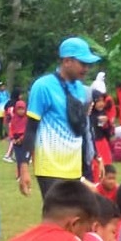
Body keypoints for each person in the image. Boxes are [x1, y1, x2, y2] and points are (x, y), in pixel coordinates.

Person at [21, 37, 100, 199]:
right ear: (67, 61)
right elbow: (30, 129)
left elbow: (80, 129)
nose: (87, 68)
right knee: (57, 217)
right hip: (50, 168)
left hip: (74, 168)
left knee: (76, 220)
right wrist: (23, 168)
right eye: (83, 63)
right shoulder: (43, 86)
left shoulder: (80, 89)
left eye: (88, 64)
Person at [7, 100, 28, 175]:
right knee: (18, 158)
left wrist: (21, 138)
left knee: (24, 159)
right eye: (19, 109)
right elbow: (11, 129)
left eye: (23, 109)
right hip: (15, 140)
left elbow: (27, 130)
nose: (21, 111)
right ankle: (19, 174)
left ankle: (24, 173)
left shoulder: (26, 119)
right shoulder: (14, 119)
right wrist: (12, 138)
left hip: (24, 140)